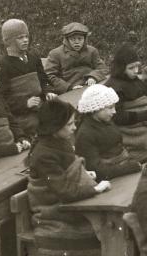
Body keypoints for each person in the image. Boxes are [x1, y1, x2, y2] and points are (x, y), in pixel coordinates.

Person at [26, 99, 111, 247]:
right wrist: (95, 189)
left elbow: (67, 171)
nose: (74, 128)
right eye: (70, 124)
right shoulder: (43, 154)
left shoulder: (59, 140)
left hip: (67, 202)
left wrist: (84, 173)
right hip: (55, 213)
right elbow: (64, 191)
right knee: (111, 227)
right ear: (54, 127)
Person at [0, 18, 55, 139]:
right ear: (9, 41)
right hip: (22, 114)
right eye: (20, 38)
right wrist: (24, 104)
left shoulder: (33, 57)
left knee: (62, 113)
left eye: (26, 36)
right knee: (40, 125)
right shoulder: (3, 65)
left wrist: (47, 92)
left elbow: (43, 80)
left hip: (41, 105)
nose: (25, 40)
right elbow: (2, 97)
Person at [104, 44, 147, 163]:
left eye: (137, 66)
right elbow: (116, 116)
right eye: (131, 68)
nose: (136, 71)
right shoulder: (114, 87)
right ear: (121, 68)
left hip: (144, 119)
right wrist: (143, 115)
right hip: (129, 129)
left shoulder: (132, 78)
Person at [74, 84, 141, 181]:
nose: (114, 111)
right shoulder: (85, 134)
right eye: (110, 107)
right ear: (96, 108)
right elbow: (96, 170)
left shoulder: (105, 120)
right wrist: (128, 168)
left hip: (122, 167)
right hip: (112, 179)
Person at [45, 22, 108, 94]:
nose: (77, 42)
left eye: (80, 39)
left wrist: (93, 77)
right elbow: (49, 76)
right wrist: (69, 87)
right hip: (69, 91)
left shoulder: (92, 51)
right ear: (67, 40)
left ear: (85, 39)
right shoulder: (55, 53)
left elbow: (103, 68)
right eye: (73, 39)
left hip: (91, 87)